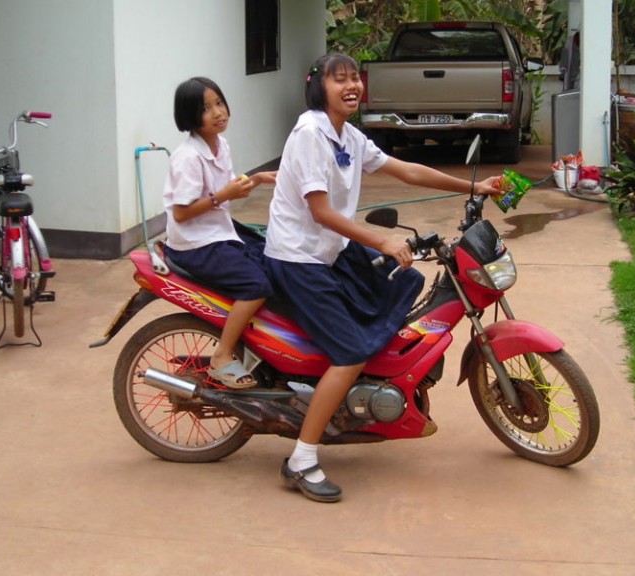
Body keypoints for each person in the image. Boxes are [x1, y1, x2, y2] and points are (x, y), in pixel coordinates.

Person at [264, 53, 500, 503]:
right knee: (352, 350)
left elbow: (406, 170)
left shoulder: (347, 135)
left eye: (355, 78)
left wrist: (473, 188)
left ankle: (363, 388)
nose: (351, 85)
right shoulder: (311, 134)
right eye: (340, 79)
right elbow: (321, 211)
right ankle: (302, 459)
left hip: (327, 251)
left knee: (401, 282)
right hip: (300, 259)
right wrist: (380, 239)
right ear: (319, 87)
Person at [162, 76, 276, 389]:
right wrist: (222, 196)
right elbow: (182, 212)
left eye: (219, 103)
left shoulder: (219, 144)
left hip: (219, 231)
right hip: (195, 243)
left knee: (277, 260)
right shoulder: (187, 157)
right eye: (206, 108)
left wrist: (258, 178)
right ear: (189, 116)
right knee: (257, 285)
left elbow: (227, 188)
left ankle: (260, 348)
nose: (217, 112)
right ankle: (222, 355)